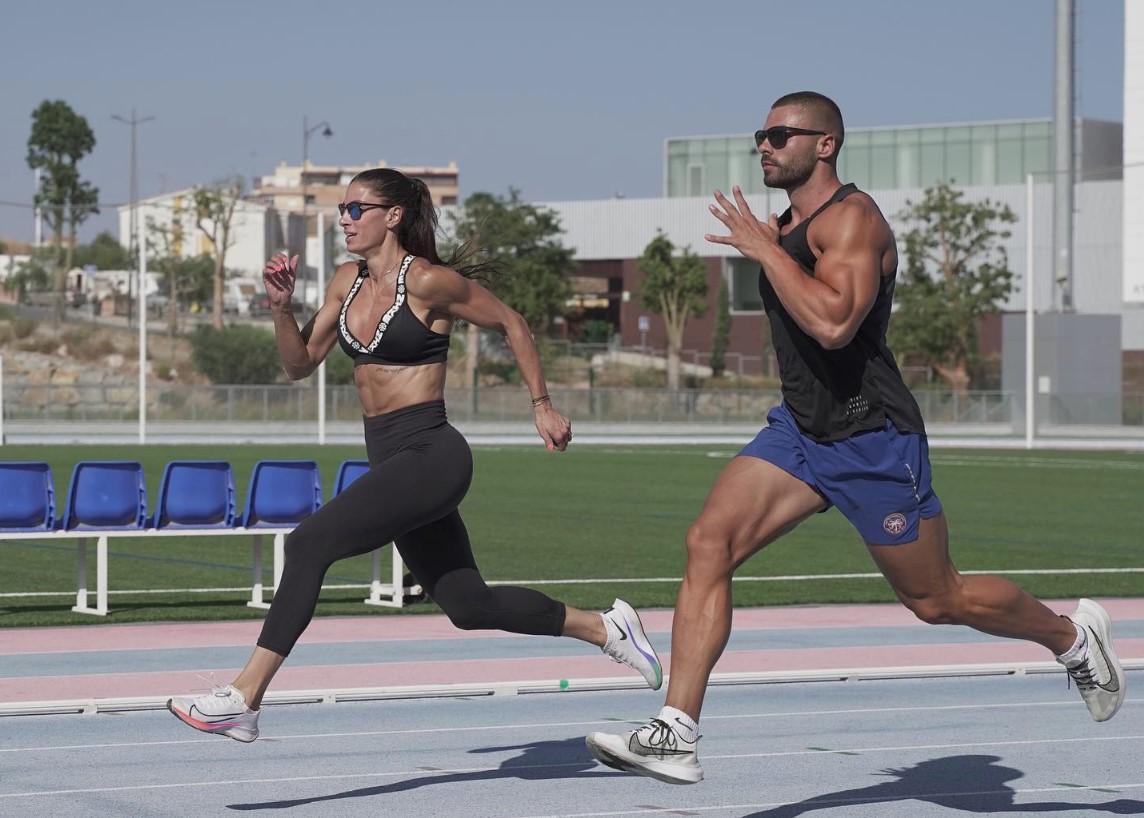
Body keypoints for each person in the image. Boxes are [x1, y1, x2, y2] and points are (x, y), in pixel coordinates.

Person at [585, 91, 1125, 784]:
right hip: (802, 432)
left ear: (825, 144)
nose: (765, 146)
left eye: (781, 134)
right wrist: (767, 242)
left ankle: (1072, 638)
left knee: (937, 600)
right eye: (761, 134)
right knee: (707, 542)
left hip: (871, 436)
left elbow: (835, 323)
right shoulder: (784, 225)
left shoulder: (853, 220)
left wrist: (761, 250)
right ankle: (676, 730)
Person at [168, 168, 662, 742]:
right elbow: (299, 364)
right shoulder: (344, 282)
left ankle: (244, 697)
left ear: (393, 215)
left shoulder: (428, 282)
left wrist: (542, 405)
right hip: (392, 461)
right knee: (467, 604)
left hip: (432, 454)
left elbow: (512, 322)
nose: (345, 219)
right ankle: (606, 628)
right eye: (342, 210)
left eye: (358, 208)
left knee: (308, 544)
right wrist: (281, 308)